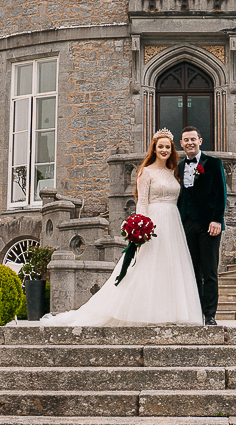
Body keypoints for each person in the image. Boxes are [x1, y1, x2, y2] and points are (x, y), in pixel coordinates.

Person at [39, 128, 203, 326]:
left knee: (171, 267)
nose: (164, 150)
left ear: (172, 149)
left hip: (173, 223)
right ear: (154, 148)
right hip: (155, 222)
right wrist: (140, 230)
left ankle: (171, 313)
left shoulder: (173, 172)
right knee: (147, 267)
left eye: (167, 147)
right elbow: (141, 202)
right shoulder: (146, 172)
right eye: (160, 146)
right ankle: (142, 313)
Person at [176, 125, 226, 325]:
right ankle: (196, 312)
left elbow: (221, 193)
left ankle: (210, 315)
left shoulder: (213, 163)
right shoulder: (178, 167)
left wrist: (217, 220)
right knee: (192, 271)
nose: (189, 143)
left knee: (210, 271)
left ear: (200, 141)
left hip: (209, 225)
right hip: (186, 224)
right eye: (186, 140)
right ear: (181, 143)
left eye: (193, 139)